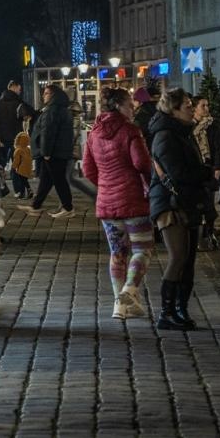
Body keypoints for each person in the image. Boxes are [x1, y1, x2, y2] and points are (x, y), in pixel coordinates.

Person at [82, 87, 155, 321]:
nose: (133, 108)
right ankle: (129, 290)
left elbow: (88, 169)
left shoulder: (94, 133)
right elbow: (142, 163)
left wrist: (106, 183)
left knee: (117, 253)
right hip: (133, 200)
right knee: (142, 250)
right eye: (129, 105)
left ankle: (120, 305)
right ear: (118, 106)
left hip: (107, 202)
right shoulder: (130, 130)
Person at [149, 88, 216, 330]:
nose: (192, 108)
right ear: (174, 110)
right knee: (178, 256)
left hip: (187, 201)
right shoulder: (166, 136)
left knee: (188, 259)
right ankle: (167, 312)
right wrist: (207, 174)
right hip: (170, 203)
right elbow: (178, 173)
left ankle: (181, 309)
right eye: (187, 105)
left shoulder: (182, 132)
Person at [24, 83, 76, 217]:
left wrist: (46, 152)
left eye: (46, 93)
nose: (43, 96)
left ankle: (68, 208)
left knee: (59, 180)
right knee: (46, 180)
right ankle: (36, 206)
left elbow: (47, 133)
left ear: (53, 95)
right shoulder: (61, 109)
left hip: (53, 153)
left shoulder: (52, 111)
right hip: (58, 151)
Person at [193, 95, 220, 248]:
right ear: (195, 108)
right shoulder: (190, 126)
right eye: (203, 106)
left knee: (209, 202)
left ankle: (209, 232)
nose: (207, 108)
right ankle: (201, 234)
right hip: (196, 169)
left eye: (207, 105)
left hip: (209, 168)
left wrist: (218, 167)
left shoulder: (213, 125)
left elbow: (218, 148)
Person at [0, 80, 33, 165]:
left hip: (1, 139)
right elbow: (28, 114)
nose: (20, 92)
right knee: (18, 165)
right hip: (16, 138)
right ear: (14, 87)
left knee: (0, 164)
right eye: (19, 89)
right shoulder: (19, 103)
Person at [10, 130, 34, 198]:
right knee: (24, 180)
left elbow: (16, 160)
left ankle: (23, 193)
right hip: (28, 167)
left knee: (21, 181)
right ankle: (28, 191)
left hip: (21, 168)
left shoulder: (18, 150)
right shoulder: (28, 149)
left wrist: (13, 167)